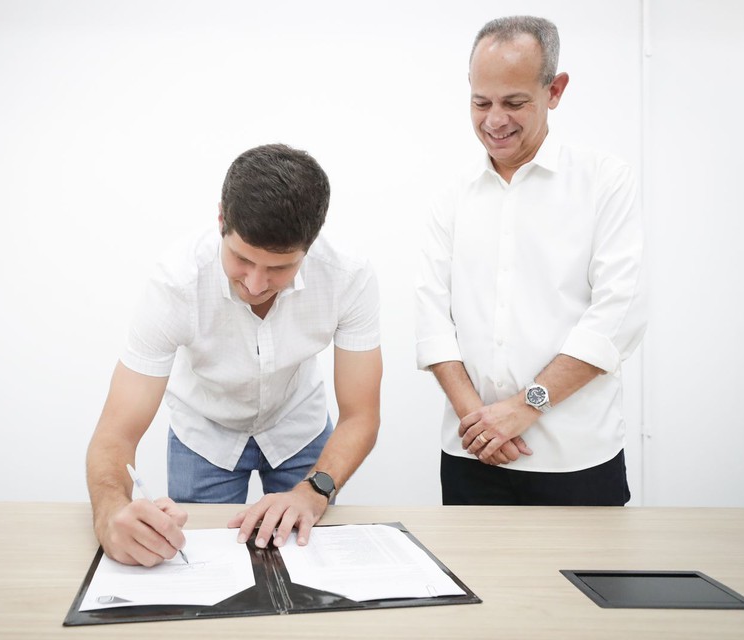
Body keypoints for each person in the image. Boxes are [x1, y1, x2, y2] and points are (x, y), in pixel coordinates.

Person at [87, 143, 382, 565]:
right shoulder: (175, 283)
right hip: (204, 433)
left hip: (298, 425)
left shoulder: (348, 277)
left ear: (310, 244)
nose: (257, 283)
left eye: (279, 267)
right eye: (242, 259)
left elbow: (362, 415)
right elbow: (115, 434)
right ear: (221, 218)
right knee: (196, 562)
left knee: (307, 560)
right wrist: (110, 514)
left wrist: (313, 491)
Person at [415, 16, 646, 506]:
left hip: (577, 457)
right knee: (474, 584)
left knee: (584, 584)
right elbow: (431, 318)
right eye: (481, 103)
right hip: (471, 454)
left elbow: (618, 315)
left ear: (555, 90)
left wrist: (525, 407)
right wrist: (480, 421)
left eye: (514, 103)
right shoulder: (451, 197)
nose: (495, 120)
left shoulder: (604, 181)